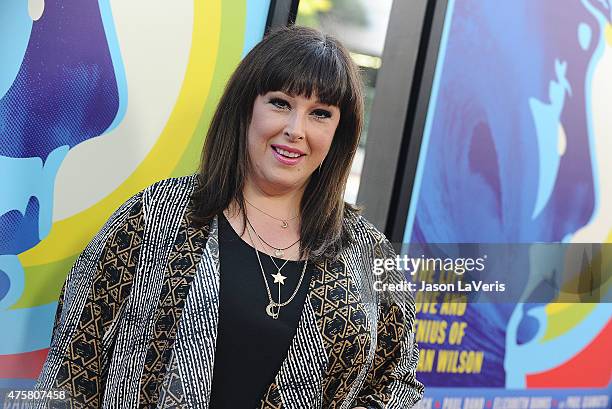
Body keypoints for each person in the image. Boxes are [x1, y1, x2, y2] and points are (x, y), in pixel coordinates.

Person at [35, 25, 424, 408]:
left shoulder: (368, 252)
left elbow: (400, 384)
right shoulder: (156, 213)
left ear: (340, 132)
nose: (295, 130)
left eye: (320, 113)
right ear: (246, 108)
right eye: (280, 103)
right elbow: (74, 356)